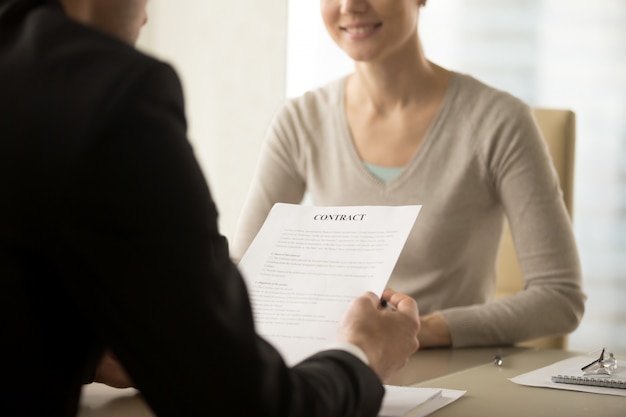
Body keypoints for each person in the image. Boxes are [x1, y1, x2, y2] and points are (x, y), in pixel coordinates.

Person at [0, 1, 421, 416]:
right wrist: (362, 354)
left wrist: (91, 353)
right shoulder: (111, 91)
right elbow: (246, 405)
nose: (147, 16)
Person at [232, 0, 586, 348]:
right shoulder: (300, 121)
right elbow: (244, 275)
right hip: (339, 372)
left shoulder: (499, 122)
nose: (350, 5)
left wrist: (419, 330)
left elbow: (559, 297)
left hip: (452, 378)